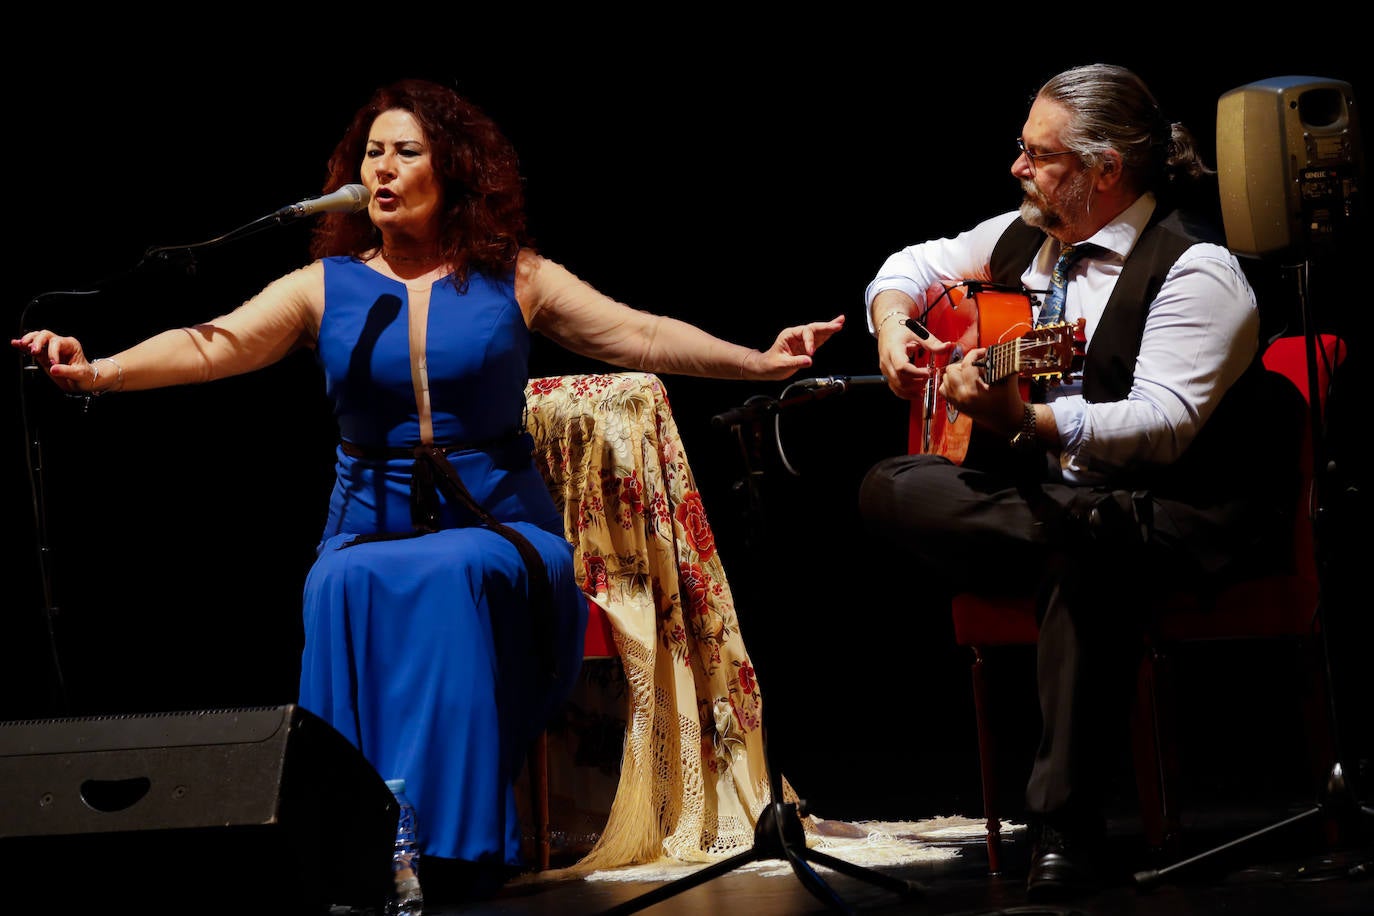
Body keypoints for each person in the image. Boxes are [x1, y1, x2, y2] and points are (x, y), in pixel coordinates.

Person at [13, 77, 844, 906]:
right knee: (337, 580)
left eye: (406, 153)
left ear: (451, 172)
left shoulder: (515, 276)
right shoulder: (324, 285)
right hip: (363, 530)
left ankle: (450, 845)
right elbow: (210, 345)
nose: (383, 169)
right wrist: (100, 372)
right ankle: (347, 838)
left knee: (452, 574)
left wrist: (756, 360)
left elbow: (639, 332)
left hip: (498, 526)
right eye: (372, 154)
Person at [858, 64, 1291, 901]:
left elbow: (1162, 424)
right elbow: (909, 264)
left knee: (1089, 555)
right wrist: (892, 324)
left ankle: (1064, 829)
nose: (1017, 169)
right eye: (1020, 149)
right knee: (889, 486)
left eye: (1037, 155)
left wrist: (1024, 422)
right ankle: (1078, 531)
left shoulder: (1196, 271)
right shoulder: (1027, 238)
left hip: (1185, 507)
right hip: (1067, 507)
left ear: (1104, 170)